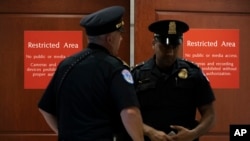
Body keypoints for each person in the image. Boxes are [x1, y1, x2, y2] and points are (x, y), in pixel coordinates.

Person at [38, 6, 144, 141]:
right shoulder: (114, 68)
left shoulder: (66, 65)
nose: (121, 39)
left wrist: (64, 133)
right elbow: (129, 112)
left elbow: (45, 109)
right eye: (120, 34)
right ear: (110, 39)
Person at [131, 20, 216, 141]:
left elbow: (210, 115)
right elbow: (128, 115)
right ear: (154, 43)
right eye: (164, 46)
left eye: (174, 46)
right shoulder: (137, 75)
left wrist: (193, 134)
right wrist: (149, 132)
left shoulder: (193, 73)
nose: (170, 52)